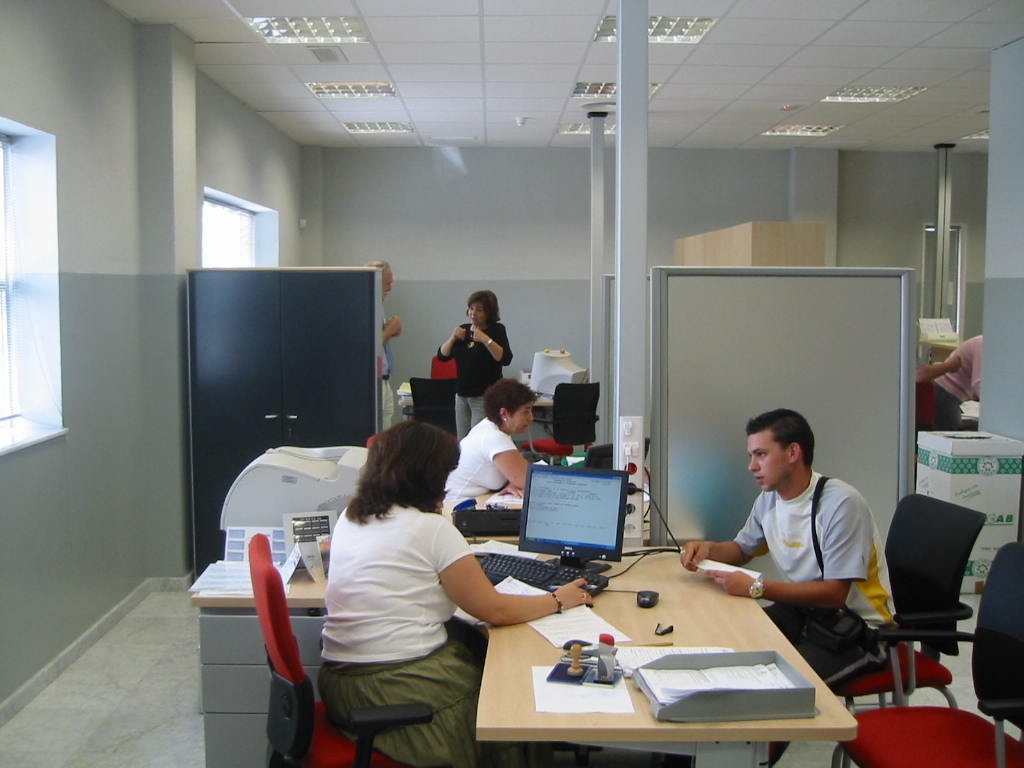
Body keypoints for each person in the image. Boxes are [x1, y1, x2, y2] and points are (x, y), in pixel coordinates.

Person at [318, 421, 592, 768]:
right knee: (510, 702)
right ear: (428, 477)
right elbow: (495, 611)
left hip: (340, 685)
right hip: (396, 685)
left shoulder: (352, 516)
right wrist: (558, 599)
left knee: (475, 650)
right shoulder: (430, 529)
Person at [680, 408, 893, 688]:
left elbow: (834, 594)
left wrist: (757, 588)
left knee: (775, 684)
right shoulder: (769, 499)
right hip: (804, 612)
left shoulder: (840, 504)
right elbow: (742, 550)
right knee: (732, 641)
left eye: (761, 454)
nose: (752, 466)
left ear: (793, 452)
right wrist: (708, 550)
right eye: (751, 456)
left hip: (858, 629)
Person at [437, 290, 513, 439]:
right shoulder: (464, 330)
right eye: (471, 309)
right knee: (463, 440)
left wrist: (485, 339)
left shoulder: (497, 330)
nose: (473, 313)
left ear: (489, 312)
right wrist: (453, 337)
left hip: (484, 396)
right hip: (462, 395)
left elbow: (505, 358)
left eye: (479, 310)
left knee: (478, 439)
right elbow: (442, 356)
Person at [445, 378, 535, 503]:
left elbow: (520, 478)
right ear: (504, 413)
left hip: (476, 499)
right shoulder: (494, 437)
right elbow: (531, 482)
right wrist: (517, 482)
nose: (531, 418)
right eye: (525, 412)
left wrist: (513, 483)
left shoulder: (489, 427)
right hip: (458, 505)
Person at [916, 334, 982, 430]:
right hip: (946, 394)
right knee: (950, 432)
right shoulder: (982, 344)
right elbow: (978, 384)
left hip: (950, 394)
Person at [367, 260, 402, 427]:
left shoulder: (378, 306)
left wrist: (390, 330)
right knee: (376, 431)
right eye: (387, 283)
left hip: (384, 379)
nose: (390, 288)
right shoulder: (364, 306)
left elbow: (379, 340)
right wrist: (389, 331)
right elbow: (366, 348)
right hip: (372, 381)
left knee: (385, 429)